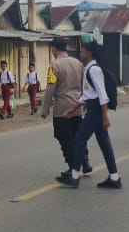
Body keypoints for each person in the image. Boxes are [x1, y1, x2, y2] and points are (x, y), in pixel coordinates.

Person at [56, 40, 121, 189]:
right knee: (104, 144)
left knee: (79, 139)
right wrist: (72, 109)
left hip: (96, 111)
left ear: (89, 53)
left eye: (83, 50)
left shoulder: (93, 70)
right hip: (94, 108)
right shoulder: (89, 69)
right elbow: (87, 95)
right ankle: (114, 177)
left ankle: (74, 176)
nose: (80, 53)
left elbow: (102, 95)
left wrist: (105, 116)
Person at [40, 38, 92, 180]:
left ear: (54, 49)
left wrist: (44, 110)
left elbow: (50, 88)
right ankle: (85, 160)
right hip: (77, 106)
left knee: (65, 138)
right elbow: (84, 85)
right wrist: (85, 103)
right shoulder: (78, 63)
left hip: (62, 109)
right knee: (78, 136)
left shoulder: (55, 65)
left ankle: (72, 167)